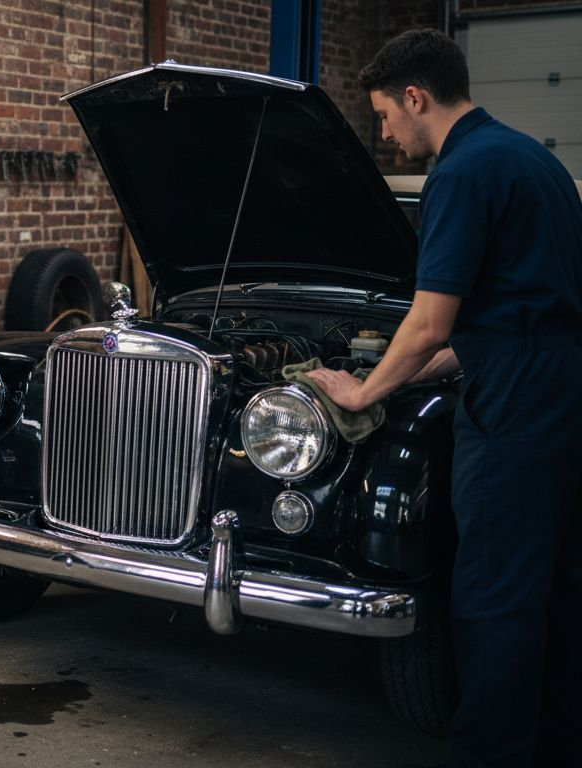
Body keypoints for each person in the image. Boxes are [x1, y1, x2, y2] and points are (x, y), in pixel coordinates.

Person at [305, 29, 582, 767]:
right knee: (556, 589)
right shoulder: (535, 161)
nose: (387, 136)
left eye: (386, 118)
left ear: (416, 97)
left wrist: (366, 387)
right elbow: (498, 317)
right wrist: (418, 370)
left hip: (517, 406)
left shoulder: (460, 174)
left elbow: (429, 321)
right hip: (564, 388)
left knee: (493, 597)